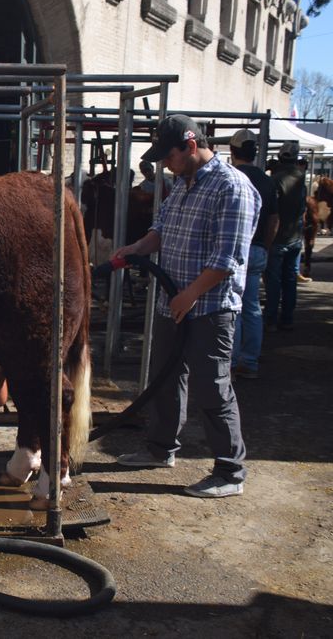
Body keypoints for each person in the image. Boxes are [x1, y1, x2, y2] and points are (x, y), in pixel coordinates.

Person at [114, 115, 259, 499]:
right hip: (173, 301)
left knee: (212, 386)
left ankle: (230, 471)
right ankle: (161, 450)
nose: (164, 163)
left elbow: (228, 259)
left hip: (210, 307)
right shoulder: (181, 184)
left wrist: (190, 294)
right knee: (164, 377)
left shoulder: (232, 188)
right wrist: (135, 249)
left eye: (169, 155)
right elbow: (160, 231)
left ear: (191, 147)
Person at [228, 129, 278, 379]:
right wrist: (265, 247)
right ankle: (250, 361)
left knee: (231, 306)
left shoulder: (232, 178)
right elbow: (273, 219)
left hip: (237, 249)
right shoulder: (267, 181)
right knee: (251, 306)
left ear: (233, 151)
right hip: (258, 248)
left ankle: (231, 360)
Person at [264, 141, 308, 331]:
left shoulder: (276, 179)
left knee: (273, 281)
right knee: (289, 279)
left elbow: (272, 212)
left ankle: (271, 319)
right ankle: (287, 318)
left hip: (278, 237)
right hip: (295, 237)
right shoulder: (301, 178)